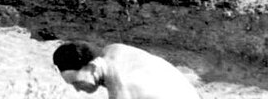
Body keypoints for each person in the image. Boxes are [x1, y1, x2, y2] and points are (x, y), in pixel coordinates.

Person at [53, 41, 202, 99]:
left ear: (92, 67)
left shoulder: (121, 84)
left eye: (77, 83)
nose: (78, 90)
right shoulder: (113, 51)